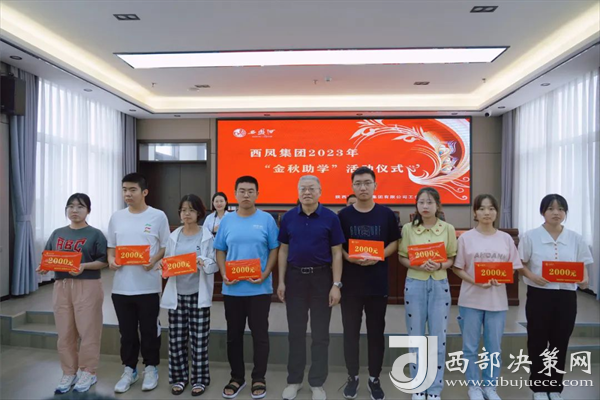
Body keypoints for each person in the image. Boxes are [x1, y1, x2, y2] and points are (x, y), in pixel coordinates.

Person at [518, 194, 592, 400]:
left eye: (560, 209)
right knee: (538, 340)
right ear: (543, 212)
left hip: (566, 297)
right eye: (550, 209)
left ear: (565, 212)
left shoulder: (575, 238)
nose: (556, 213)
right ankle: (539, 388)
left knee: (560, 341)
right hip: (539, 295)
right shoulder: (531, 236)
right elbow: (520, 264)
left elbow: (582, 266)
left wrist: (584, 280)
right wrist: (533, 276)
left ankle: (555, 387)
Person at [277, 176, 345, 400]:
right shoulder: (288, 217)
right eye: (303, 188)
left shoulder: (331, 218)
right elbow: (283, 250)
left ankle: (317, 382)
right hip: (295, 278)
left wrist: (336, 285)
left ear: (320, 191)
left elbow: (337, 253)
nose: (307, 192)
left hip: (321, 279)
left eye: (311, 188)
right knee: (295, 333)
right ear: (297, 191)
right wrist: (281, 281)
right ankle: (294, 380)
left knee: (320, 334)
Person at [214, 176, 280, 399]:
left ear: (257, 194)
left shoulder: (267, 220)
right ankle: (237, 377)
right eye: (242, 191)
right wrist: (223, 273)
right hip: (233, 289)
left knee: (260, 335)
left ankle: (259, 377)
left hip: (259, 289)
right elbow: (220, 249)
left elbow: (274, 248)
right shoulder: (227, 221)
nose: (246, 195)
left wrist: (266, 273)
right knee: (234, 336)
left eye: (251, 191)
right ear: (235, 194)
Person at [452, 194, 523, 400]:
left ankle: (490, 387)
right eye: (482, 208)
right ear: (475, 212)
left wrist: (503, 278)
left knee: (494, 348)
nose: (486, 212)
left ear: (496, 212)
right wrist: (475, 281)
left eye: (491, 208)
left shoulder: (505, 239)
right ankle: (474, 387)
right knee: (470, 348)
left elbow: (513, 267)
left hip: (496, 302)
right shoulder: (465, 238)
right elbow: (457, 268)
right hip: (470, 300)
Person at [338, 167, 400, 400]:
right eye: (358, 183)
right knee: (350, 333)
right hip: (351, 285)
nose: (363, 187)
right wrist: (349, 258)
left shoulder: (386, 214)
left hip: (377, 284)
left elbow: (394, 242)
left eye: (367, 183)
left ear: (375, 185)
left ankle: (374, 378)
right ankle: (352, 376)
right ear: (352, 186)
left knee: (376, 334)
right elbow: (338, 247)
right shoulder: (343, 216)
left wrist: (379, 255)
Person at [107, 173, 170, 394]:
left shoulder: (158, 216)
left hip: (148, 286)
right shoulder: (117, 217)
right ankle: (129, 369)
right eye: (124, 189)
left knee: (149, 330)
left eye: (132, 190)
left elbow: (165, 246)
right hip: (121, 287)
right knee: (127, 332)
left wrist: (154, 259)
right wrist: (110, 260)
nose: (127, 194)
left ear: (144, 192)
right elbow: (111, 247)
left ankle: (151, 368)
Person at [38, 193, 108, 394]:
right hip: (61, 285)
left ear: (88, 210)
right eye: (70, 206)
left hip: (88, 285)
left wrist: (84, 266)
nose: (74, 210)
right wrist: (44, 268)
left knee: (88, 331)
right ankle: (69, 372)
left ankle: (88, 371)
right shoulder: (57, 233)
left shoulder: (95, 234)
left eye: (80, 206)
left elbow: (104, 261)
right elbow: (48, 257)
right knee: (65, 332)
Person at [398, 187, 457, 400]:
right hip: (415, 284)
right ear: (416, 205)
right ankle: (417, 386)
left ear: (438, 205)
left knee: (437, 338)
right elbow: (402, 257)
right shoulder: (408, 229)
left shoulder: (448, 228)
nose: (425, 206)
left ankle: (434, 388)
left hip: (440, 285)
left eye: (430, 202)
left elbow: (451, 258)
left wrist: (440, 265)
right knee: (415, 337)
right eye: (421, 202)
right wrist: (417, 265)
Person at [160, 194, 218, 396]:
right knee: (176, 341)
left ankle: (199, 380)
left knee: (199, 341)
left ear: (199, 213)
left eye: (191, 210)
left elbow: (214, 265)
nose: (187, 214)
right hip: (177, 296)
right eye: (183, 210)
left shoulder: (207, 236)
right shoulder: (174, 236)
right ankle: (179, 378)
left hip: (198, 294)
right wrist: (163, 267)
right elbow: (167, 262)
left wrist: (204, 262)